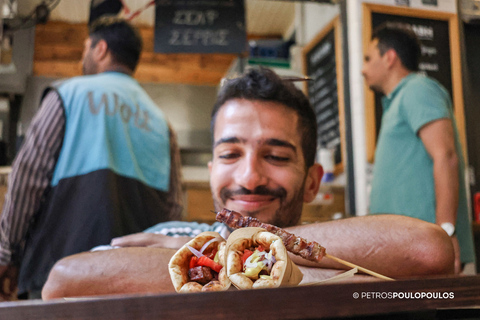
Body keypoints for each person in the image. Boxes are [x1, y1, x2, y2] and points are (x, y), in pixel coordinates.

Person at [41, 67, 455, 300]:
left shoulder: (337, 238)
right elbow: (64, 280)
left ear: (313, 182)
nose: (249, 177)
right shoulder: (170, 236)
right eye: (230, 154)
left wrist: (217, 259)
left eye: (276, 156)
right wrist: (290, 272)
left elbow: (429, 248)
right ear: (212, 170)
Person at [0, 16, 183, 300]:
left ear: (101, 49)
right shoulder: (162, 122)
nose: (83, 57)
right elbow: (174, 210)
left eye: (86, 48)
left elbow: (27, 179)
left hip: (56, 282)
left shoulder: (68, 93)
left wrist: (6, 253)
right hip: (137, 291)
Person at [362, 23, 475, 274]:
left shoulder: (417, 89)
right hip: (405, 252)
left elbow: (445, 157)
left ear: (389, 58)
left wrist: (447, 234)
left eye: (368, 59)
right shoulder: (397, 101)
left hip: (427, 252)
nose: (363, 69)